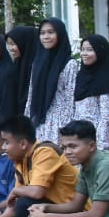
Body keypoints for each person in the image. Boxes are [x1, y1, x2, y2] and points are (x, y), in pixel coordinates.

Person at [26, 18, 79, 146]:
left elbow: (70, 98)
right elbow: (31, 93)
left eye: (51, 32)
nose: (46, 36)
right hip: (40, 121)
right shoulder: (37, 63)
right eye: (42, 33)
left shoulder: (69, 64)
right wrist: (26, 122)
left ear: (59, 34)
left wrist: (67, 129)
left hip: (60, 123)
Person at [74, 34, 109, 151]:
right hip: (77, 137)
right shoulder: (81, 76)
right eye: (83, 49)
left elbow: (106, 118)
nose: (84, 53)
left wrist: (100, 148)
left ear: (100, 51)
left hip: (93, 141)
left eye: (90, 50)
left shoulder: (105, 79)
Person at [5, 25, 38, 116]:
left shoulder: (36, 66)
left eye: (13, 44)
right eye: (9, 44)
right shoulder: (17, 63)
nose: (11, 48)